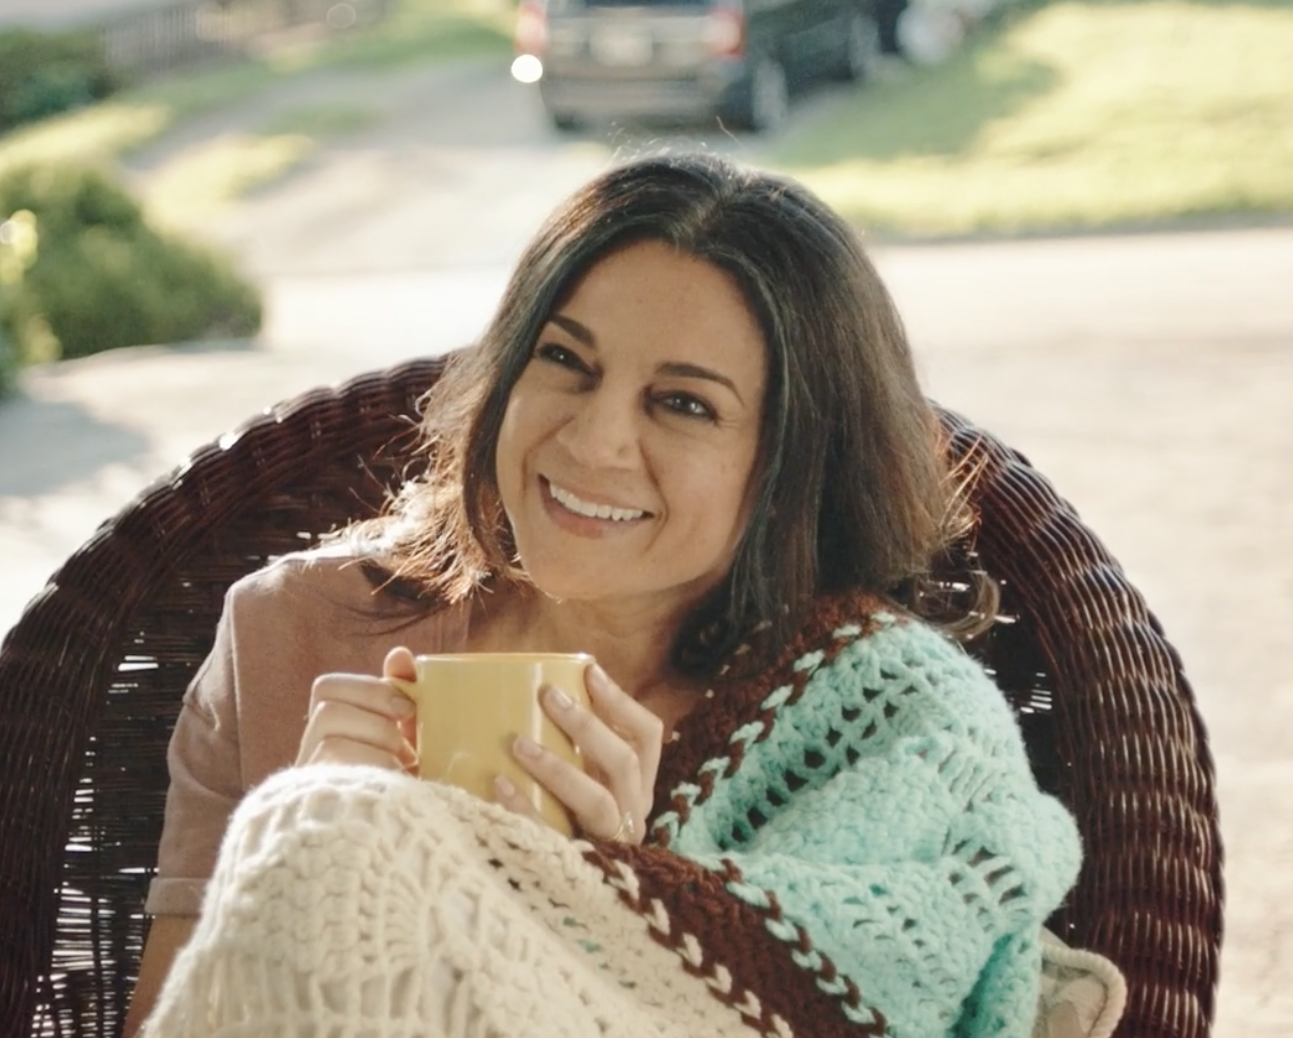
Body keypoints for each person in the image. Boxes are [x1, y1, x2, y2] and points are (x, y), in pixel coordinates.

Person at [127, 152, 1108, 1038]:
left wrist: (626, 904)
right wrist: (308, 847)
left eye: (683, 404)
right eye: (563, 360)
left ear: (790, 462)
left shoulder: (884, 731)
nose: (592, 443)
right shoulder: (288, 633)